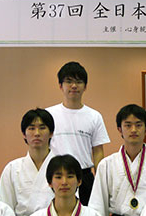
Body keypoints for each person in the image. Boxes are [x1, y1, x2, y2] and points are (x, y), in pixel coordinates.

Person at [46, 62, 109, 205]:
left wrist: (100, 180)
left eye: (79, 82)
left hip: (84, 176)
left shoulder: (94, 116)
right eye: (69, 81)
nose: (74, 86)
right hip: (56, 175)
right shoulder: (49, 114)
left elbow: (98, 152)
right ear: (60, 86)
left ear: (85, 86)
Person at [0, 109, 56, 216]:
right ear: (24, 134)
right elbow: (6, 210)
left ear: (51, 133)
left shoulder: (61, 167)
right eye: (31, 128)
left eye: (42, 128)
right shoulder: (12, 168)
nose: (37, 133)